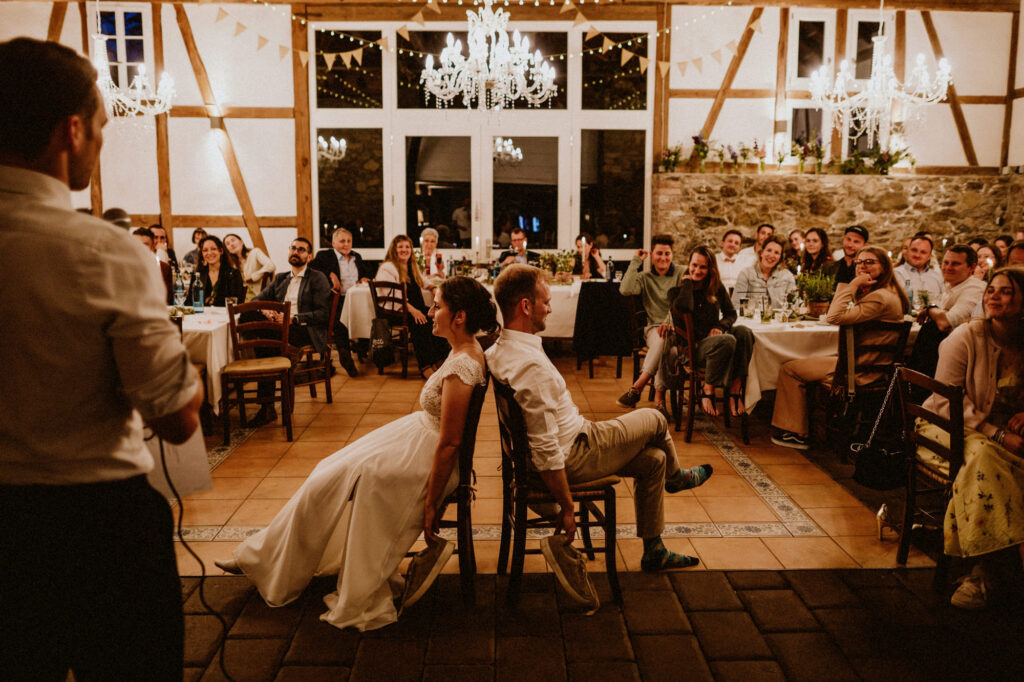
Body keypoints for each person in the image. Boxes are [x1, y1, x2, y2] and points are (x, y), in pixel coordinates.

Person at [0, 37, 203, 680]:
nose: (102, 141)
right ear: (72, 130)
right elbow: (177, 420)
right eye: (103, 126)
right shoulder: (107, 253)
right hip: (96, 527)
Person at [216, 277, 497, 630]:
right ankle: (263, 555)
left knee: (347, 478)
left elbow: (452, 442)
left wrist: (430, 503)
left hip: (427, 455)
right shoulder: (462, 352)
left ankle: (267, 559)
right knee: (327, 471)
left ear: (459, 316)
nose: (429, 312)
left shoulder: (464, 364)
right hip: (418, 438)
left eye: (437, 306)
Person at [486, 265, 714, 588]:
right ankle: (677, 478)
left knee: (655, 460)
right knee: (655, 419)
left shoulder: (499, 350)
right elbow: (547, 450)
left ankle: (654, 551)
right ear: (525, 306)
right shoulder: (531, 365)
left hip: (569, 444)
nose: (550, 308)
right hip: (574, 454)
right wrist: (567, 506)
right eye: (546, 302)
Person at [921, 267, 1024, 609]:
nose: (994, 296)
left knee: (998, 463)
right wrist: (998, 434)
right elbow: (946, 401)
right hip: (948, 425)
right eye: (991, 289)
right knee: (985, 459)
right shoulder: (966, 337)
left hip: (1008, 435)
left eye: (1006, 291)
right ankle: (985, 570)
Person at [770, 246, 910, 450]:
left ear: (884, 267)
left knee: (789, 369)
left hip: (858, 372)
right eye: (859, 262)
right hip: (867, 364)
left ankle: (797, 433)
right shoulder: (888, 292)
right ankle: (813, 425)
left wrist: (853, 284)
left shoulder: (880, 297)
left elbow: (833, 317)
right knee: (812, 359)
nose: (862, 266)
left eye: (869, 262)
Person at [247, 238, 333, 427]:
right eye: (293, 248)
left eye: (301, 250)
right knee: (249, 318)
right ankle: (268, 405)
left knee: (265, 342)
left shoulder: (317, 278)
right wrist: (265, 310)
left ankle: (267, 407)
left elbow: (323, 314)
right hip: (279, 328)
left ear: (309, 256)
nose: (295, 252)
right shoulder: (281, 278)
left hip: (304, 329)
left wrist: (293, 318)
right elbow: (256, 300)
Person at [671, 246, 756, 418]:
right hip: (692, 348)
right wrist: (687, 283)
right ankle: (707, 389)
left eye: (703, 267)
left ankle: (735, 390)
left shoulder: (716, 288)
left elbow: (731, 313)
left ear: (710, 269)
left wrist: (720, 326)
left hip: (714, 342)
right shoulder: (677, 292)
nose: (697, 270)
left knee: (745, 332)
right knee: (728, 341)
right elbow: (684, 307)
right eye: (694, 265)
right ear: (688, 265)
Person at [617, 234, 687, 416]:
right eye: (659, 253)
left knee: (668, 345)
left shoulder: (682, 273)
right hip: (654, 329)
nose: (663, 258)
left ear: (672, 255)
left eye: (667, 254)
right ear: (652, 254)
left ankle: (639, 386)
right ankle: (658, 400)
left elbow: (682, 302)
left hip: (679, 329)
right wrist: (636, 261)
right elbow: (625, 289)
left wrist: (669, 322)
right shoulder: (644, 277)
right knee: (667, 347)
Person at [907, 245, 986, 394]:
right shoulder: (951, 288)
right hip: (944, 354)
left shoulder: (975, 289)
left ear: (972, 267)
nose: (948, 267)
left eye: (955, 264)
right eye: (946, 262)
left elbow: (945, 322)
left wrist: (930, 309)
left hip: (965, 363)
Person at [376, 234, 450, 377]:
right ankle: (425, 366)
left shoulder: (411, 265)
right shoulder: (388, 267)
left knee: (439, 318)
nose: (404, 250)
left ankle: (440, 360)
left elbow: (423, 281)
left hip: (413, 309)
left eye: (407, 247)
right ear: (394, 250)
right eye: (400, 247)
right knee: (421, 323)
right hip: (396, 312)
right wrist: (413, 311)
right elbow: (393, 298)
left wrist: (433, 288)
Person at [310, 226, 369, 376]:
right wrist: (330, 274)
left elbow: (366, 273)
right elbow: (311, 268)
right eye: (342, 241)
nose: (346, 244)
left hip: (355, 298)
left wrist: (364, 278)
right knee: (340, 320)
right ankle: (345, 353)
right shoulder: (325, 256)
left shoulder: (357, 256)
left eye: (349, 241)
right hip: (336, 299)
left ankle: (363, 346)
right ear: (333, 243)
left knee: (369, 313)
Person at [731, 236, 796, 310]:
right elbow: (736, 304)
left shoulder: (787, 276)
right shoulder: (746, 274)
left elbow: (794, 303)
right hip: (752, 317)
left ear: (780, 258)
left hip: (780, 317)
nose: (771, 255)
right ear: (761, 252)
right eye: (769, 250)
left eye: (776, 253)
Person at [186, 234, 246, 307]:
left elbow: (238, 303)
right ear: (202, 254)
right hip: (201, 314)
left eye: (213, 249)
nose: (209, 253)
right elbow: (189, 302)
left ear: (221, 251)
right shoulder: (197, 275)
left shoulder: (233, 274)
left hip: (226, 314)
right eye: (205, 250)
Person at [895, 233, 944, 306]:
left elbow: (945, 301)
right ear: (908, 251)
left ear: (929, 256)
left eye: (923, 252)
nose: (917, 255)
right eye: (914, 250)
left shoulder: (938, 277)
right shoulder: (895, 274)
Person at [224, 233, 276, 301]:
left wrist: (253, 276)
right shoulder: (233, 265)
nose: (231, 244)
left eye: (233, 240)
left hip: (257, 297)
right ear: (227, 250)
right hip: (240, 299)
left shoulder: (255, 252)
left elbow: (271, 265)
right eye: (228, 244)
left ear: (241, 242)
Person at [132, 226, 174, 304]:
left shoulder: (164, 268)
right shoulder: (122, 267)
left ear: (152, 247)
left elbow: (166, 301)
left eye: (145, 244)